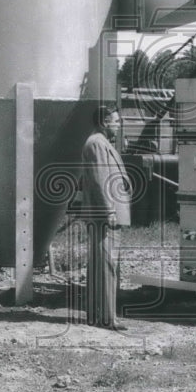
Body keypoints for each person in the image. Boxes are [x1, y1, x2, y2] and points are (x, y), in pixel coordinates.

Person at [80, 104, 131, 330]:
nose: (118, 126)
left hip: (104, 214)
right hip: (104, 216)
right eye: (115, 121)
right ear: (103, 122)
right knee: (107, 266)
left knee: (101, 265)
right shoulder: (97, 144)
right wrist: (109, 210)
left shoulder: (100, 143)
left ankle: (95, 314)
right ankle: (108, 317)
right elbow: (101, 180)